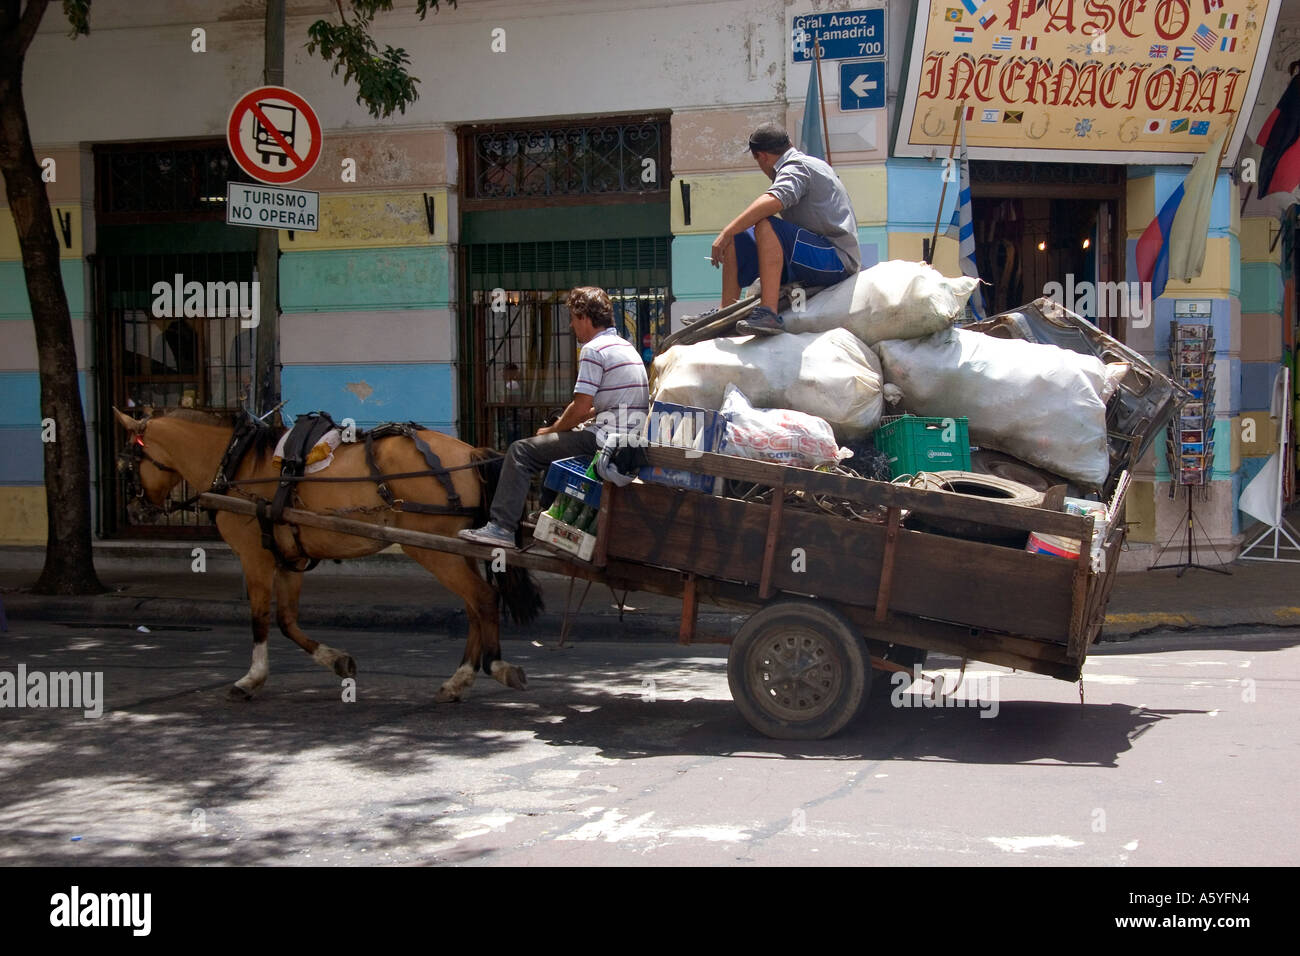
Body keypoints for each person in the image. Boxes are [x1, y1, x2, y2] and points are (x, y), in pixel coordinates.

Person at [459, 286, 649, 548]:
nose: (571, 326)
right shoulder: (625, 347)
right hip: (624, 440)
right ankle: (546, 512)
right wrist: (564, 426)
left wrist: (551, 431)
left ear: (584, 316)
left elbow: (581, 407)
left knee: (521, 451)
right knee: (558, 439)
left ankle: (501, 528)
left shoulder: (595, 350)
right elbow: (610, 403)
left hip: (606, 441)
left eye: (572, 318)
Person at [707, 123, 861, 335]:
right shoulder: (803, 163)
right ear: (788, 143)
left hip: (836, 260)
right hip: (814, 254)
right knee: (740, 234)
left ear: (761, 156)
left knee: (763, 223)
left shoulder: (797, 166)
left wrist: (726, 231)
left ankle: (768, 313)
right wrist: (733, 232)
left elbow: (775, 199)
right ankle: (726, 313)